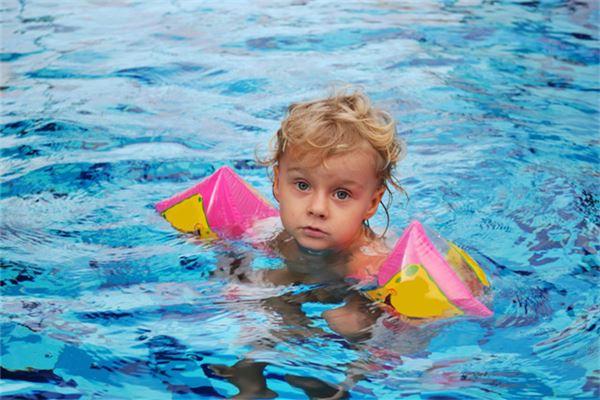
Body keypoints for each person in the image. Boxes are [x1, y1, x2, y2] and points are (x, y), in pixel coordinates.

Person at [208, 88, 407, 399]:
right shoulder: (275, 234)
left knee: (351, 322)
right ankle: (251, 378)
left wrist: (381, 321)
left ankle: (337, 389)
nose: (317, 208)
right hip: (301, 285)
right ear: (277, 183)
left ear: (371, 202)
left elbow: (412, 321)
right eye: (302, 185)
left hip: (349, 296)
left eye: (341, 194)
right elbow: (228, 251)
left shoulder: (370, 260)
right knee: (248, 289)